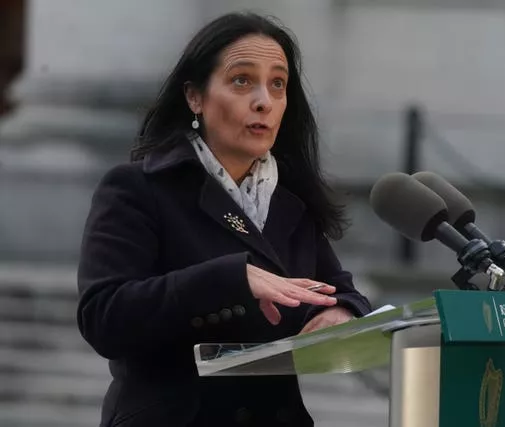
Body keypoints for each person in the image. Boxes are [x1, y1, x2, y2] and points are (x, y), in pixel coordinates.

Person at [76, 11, 372, 427]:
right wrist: (230, 280)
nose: (263, 101)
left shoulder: (289, 204)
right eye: (241, 80)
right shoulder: (137, 188)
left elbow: (340, 290)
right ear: (195, 96)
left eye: (278, 84)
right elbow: (103, 317)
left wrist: (341, 312)